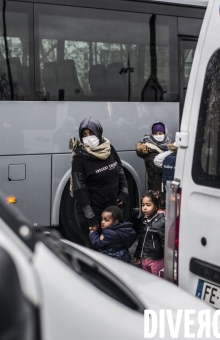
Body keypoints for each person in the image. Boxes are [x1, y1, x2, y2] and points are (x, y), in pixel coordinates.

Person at [70, 117, 130, 246]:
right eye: (84, 135)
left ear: (98, 132)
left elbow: (120, 171)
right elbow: (80, 190)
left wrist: (124, 193)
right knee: (95, 250)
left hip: (111, 210)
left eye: (91, 133)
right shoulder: (79, 158)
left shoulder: (109, 149)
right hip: (93, 213)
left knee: (113, 248)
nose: (88, 137)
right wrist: (91, 218)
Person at [133, 190, 165, 277]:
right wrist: (138, 254)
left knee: (157, 281)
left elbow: (164, 243)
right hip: (145, 258)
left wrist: (168, 261)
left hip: (156, 259)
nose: (144, 208)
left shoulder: (162, 222)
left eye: (148, 205)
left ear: (156, 206)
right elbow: (141, 239)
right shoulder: (144, 220)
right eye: (143, 205)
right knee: (147, 279)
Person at [136, 121, 171, 192]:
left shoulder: (168, 145)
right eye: (155, 133)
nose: (158, 135)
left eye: (160, 133)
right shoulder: (149, 149)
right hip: (156, 186)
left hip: (163, 185)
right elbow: (158, 168)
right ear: (152, 134)